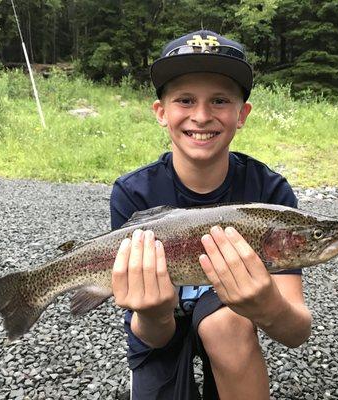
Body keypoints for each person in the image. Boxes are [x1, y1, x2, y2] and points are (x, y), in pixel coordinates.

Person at [109, 30, 312, 400]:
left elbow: (296, 333)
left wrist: (267, 306)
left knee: (226, 324)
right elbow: (151, 333)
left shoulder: (270, 195)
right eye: (185, 100)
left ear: (241, 114)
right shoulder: (132, 192)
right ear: (161, 112)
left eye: (219, 101)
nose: (201, 116)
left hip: (229, 328)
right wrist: (154, 313)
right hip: (157, 331)